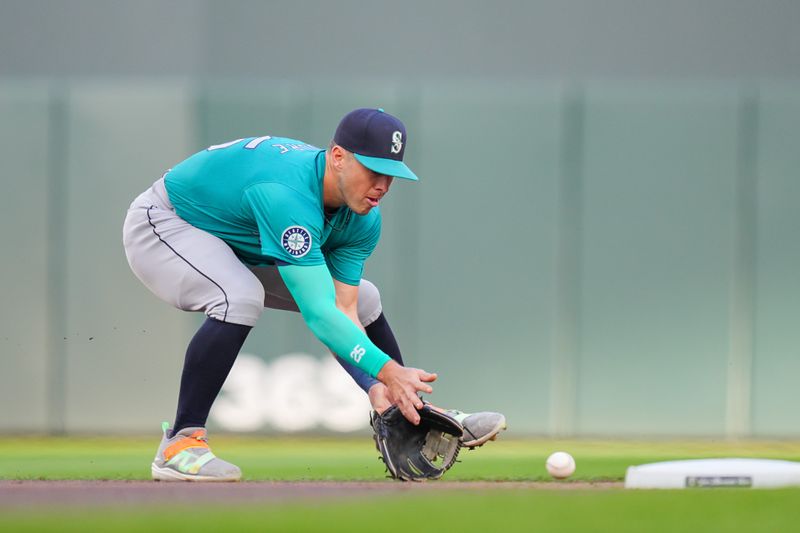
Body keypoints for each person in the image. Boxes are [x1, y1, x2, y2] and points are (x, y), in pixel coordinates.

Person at [122, 108, 506, 482]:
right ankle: (180, 443)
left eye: (391, 175)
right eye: (374, 170)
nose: (383, 186)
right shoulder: (288, 196)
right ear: (338, 157)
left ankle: (408, 411)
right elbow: (320, 315)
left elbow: (345, 311)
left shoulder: (362, 219)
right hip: (166, 222)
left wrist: (378, 385)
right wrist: (388, 369)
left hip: (234, 238)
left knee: (366, 298)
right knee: (238, 297)